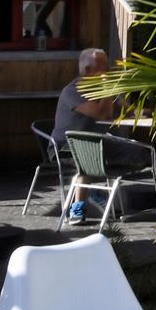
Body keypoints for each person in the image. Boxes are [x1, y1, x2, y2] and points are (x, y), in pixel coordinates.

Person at [55, 48, 119, 223]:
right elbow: (102, 114)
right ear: (87, 70)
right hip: (65, 146)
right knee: (88, 158)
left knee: (140, 152)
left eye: (107, 65)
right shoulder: (73, 91)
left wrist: (142, 112)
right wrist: (108, 87)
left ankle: (97, 192)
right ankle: (77, 208)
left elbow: (122, 109)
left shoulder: (99, 90)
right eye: (102, 66)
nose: (107, 70)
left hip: (96, 144)